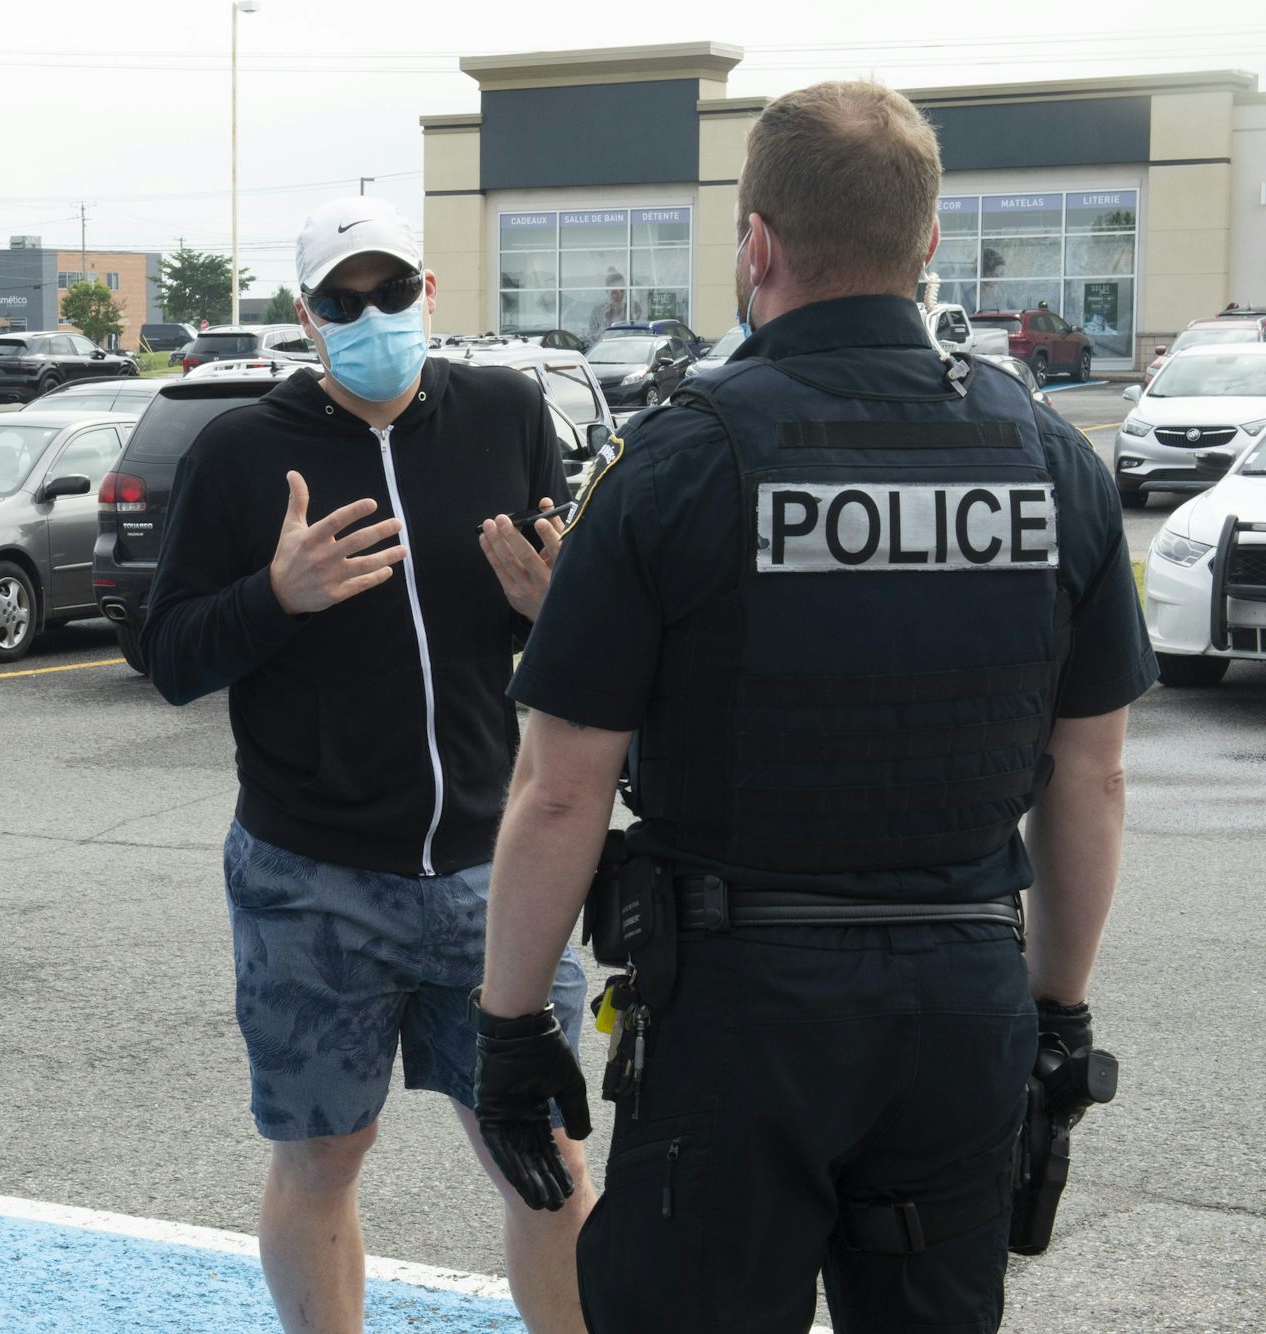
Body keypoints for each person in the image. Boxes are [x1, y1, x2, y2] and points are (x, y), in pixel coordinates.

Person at [472, 81, 1154, 1333]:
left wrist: (510, 1026)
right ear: (929, 240)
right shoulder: (1050, 458)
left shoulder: (677, 462)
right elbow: (1092, 777)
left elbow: (561, 787)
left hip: (742, 1008)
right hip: (962, 992)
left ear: (759, 242)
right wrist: (1059, 1017)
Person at [142, 195, 591, 1334]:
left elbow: (569, 627)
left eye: (393, 292)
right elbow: (169, 654)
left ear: (427, 294)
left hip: (499, 873)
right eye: (345, 299)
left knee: (541, 1153)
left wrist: (559, 611)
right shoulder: (243, 452)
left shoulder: (504, 411)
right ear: (307, 315)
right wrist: (272, 597)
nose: (374, 314)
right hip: (313, 879)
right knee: (325, 1156)